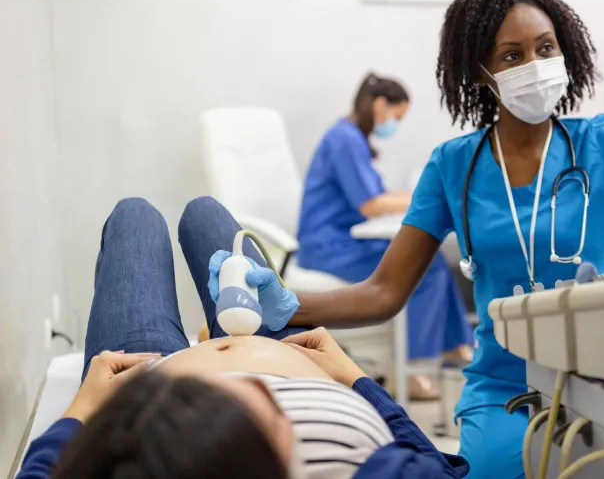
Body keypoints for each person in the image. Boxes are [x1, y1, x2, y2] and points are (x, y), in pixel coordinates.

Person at [254, 0, 604, 478]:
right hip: (505, 393)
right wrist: (287, 303)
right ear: (482, 72)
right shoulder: (453, 166)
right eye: (512, 56)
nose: (534, 66)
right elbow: (383, 292)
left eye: (545, 48)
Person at [16, 197, 468, 479]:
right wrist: (353, 377)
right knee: (204, 214)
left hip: (142, 384)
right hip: (288, 356)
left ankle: (202, 332)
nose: (249, 392)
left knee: (136, 216)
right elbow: (435, 466)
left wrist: (83, 410)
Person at [297, 73, 474, 399]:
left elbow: (377, 195)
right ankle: (414, 367)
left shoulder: (351, 138)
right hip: (328, 247)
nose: (395, 125)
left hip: (343, 240)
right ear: (380, 105)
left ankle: (455, 346)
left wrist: (421, 194)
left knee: (429, 257)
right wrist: (430, 195)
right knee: (422, 265)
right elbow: (371, 203)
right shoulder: (345, 139)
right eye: (396, 116)